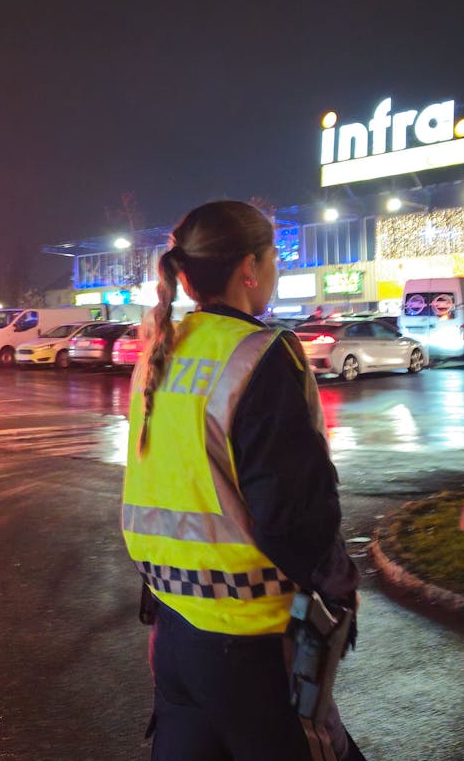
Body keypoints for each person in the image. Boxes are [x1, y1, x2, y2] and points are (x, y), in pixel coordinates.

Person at [122, 200, 363, 761]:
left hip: (173, 629)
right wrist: (337, 591)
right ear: (250, 268)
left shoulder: (161, 350)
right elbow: (294, 515)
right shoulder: (260, 354)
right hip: (253, 639)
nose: (276, 269)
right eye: (274, 258)